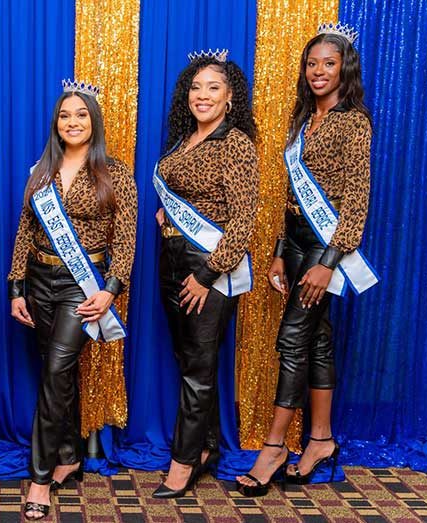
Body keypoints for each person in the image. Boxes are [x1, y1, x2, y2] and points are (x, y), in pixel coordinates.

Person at [236, 23, 377, 497]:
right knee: (316, 341)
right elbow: (291, 194)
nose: (319, 71)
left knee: (291, 341)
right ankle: (320, 439)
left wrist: (329, 261)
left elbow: (356, 200)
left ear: (344, 69)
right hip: (295, 240)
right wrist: (278, 252)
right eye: (312, 63)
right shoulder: (302, 120)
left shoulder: (353, 121)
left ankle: (274, 445)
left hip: (324, 245)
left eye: (329, 63)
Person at [8, 79, 137, 520]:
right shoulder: (41, 170)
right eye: (65, 115)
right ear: (56, 123)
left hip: (83, 287)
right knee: (54, 372)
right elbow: (24, 230)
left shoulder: (115, 172)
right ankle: (69, 454)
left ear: (94, 122)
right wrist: (15, 287)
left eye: (81, 114)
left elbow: (127, 240)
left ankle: (40, 478)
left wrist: (111, 289)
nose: (73, 121)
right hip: (39, 281)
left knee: (57, 368)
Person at [152, 50, 259, 498]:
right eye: (196, 87)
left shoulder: (235, 143)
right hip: (172, 257)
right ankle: (205, 446)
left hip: (208, 266)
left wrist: (207, 274)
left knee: (198, 365)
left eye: (213, 87)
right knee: (189, 360)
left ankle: (182, 462)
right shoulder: (184, 141)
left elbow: (243, 219)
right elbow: (184, 192)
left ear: (230, 96)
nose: (202, 95)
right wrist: (166, 214)